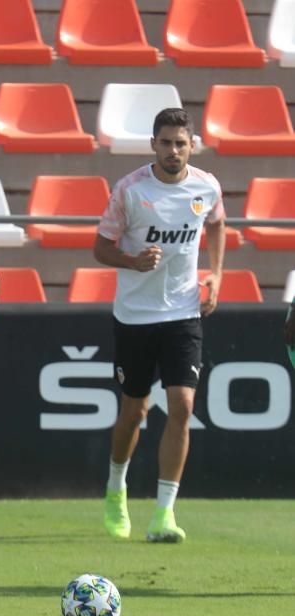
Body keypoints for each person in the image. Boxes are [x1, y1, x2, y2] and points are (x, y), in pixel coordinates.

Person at [94, 108, 226, 544]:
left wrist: (216, 274)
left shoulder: (206, 187)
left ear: (193, 145)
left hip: (184, 313)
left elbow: (218, 224)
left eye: (181, 143)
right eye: (166, 142)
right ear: (154, 144)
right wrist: (132, 261)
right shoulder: (130, 190)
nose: (173, 150)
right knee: (135, 411)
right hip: (135, 315)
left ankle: (164, 514)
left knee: (183, 407)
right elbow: (100, 247)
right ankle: (117, 489)